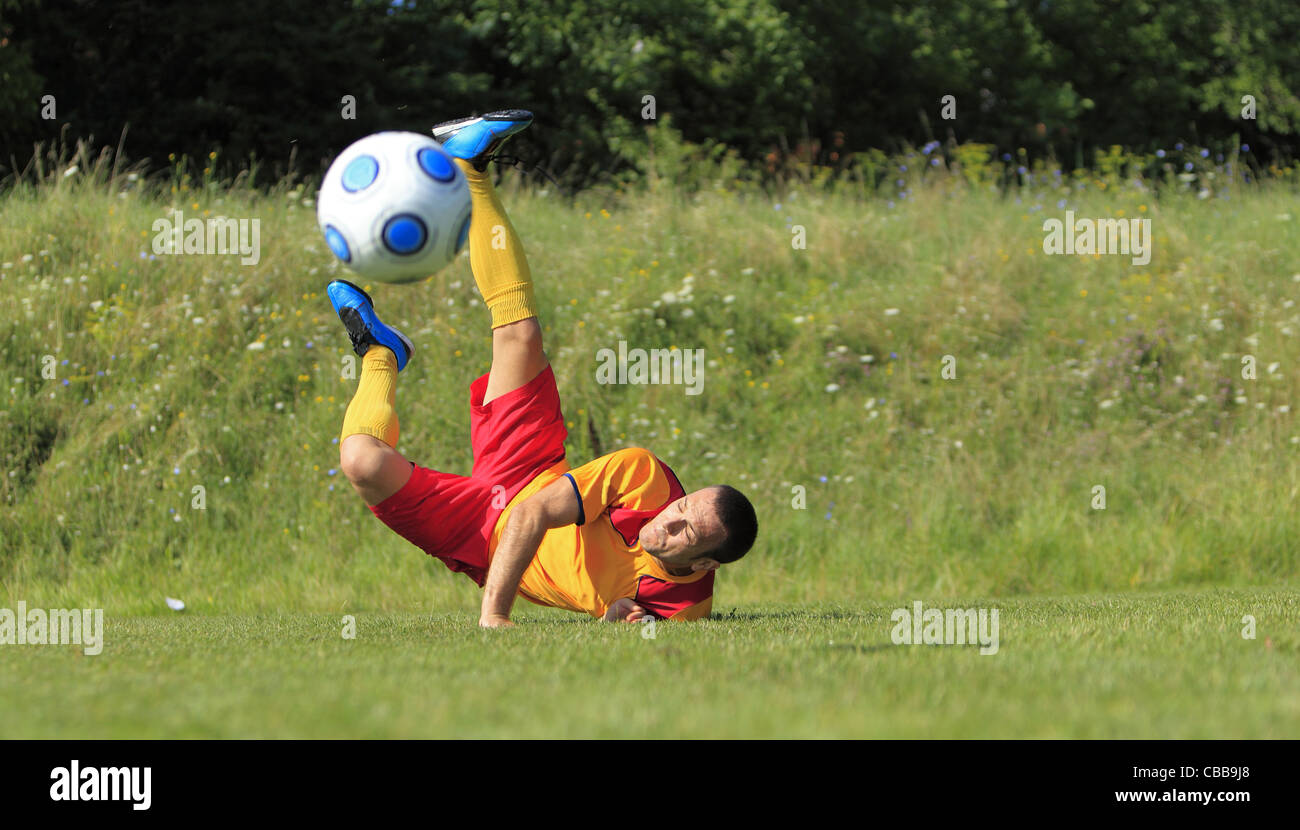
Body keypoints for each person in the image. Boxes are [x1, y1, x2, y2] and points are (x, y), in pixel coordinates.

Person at [327, 110, 757, 628]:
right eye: (681, 509)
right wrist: (495, 614)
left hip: (482, 537)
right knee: (521, 336)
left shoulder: (686, 609)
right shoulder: (644, 479)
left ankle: (379, 355)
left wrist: (620, 616)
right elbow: (532, 512)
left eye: (684, 533)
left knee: (362, 463)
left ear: (705, 563)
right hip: (533, 479)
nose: (668, 522)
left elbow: (623, 611)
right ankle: (469, 168)